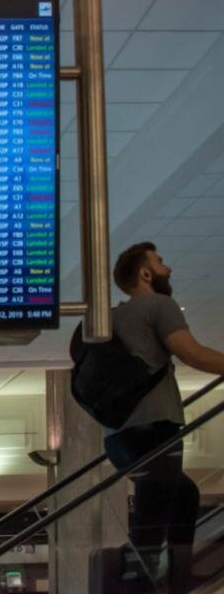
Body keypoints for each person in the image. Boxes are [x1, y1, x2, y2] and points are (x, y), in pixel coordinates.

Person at [104, 242, 224, 593]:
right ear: (144, 273)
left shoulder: (112, 317)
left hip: (117, 437)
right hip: (154, 425)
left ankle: (177, 573)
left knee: (183, 494)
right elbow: (193, 354)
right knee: (153, 518)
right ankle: (145, 582)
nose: (167, 269)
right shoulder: (158, 304)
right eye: (160, 262)